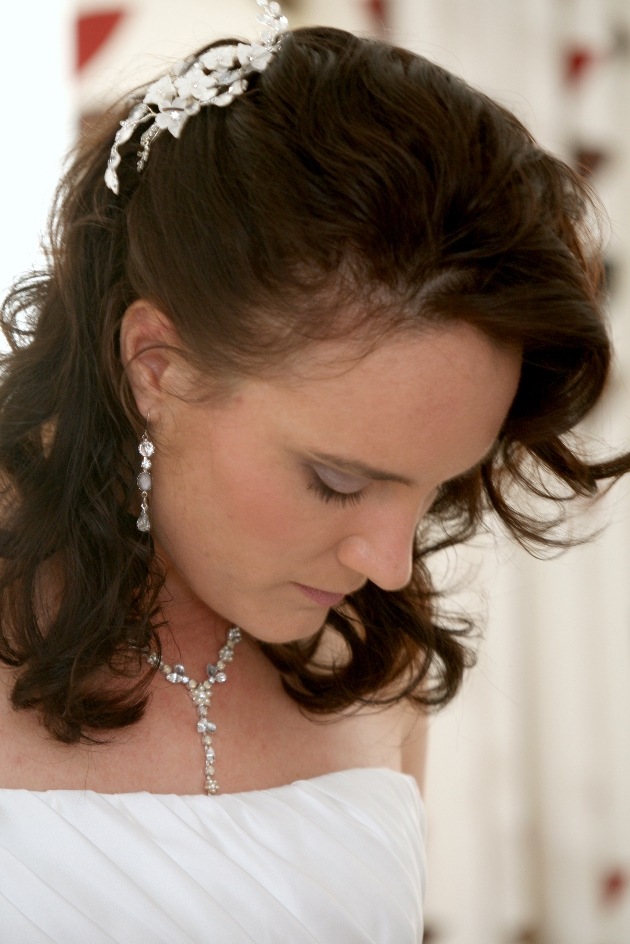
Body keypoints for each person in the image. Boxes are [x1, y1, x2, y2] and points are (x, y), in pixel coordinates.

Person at [0, 2, 628, 941]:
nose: (390, 567)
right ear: (155, 368)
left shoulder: (373, 655)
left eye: (435, 490)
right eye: (337, 481)